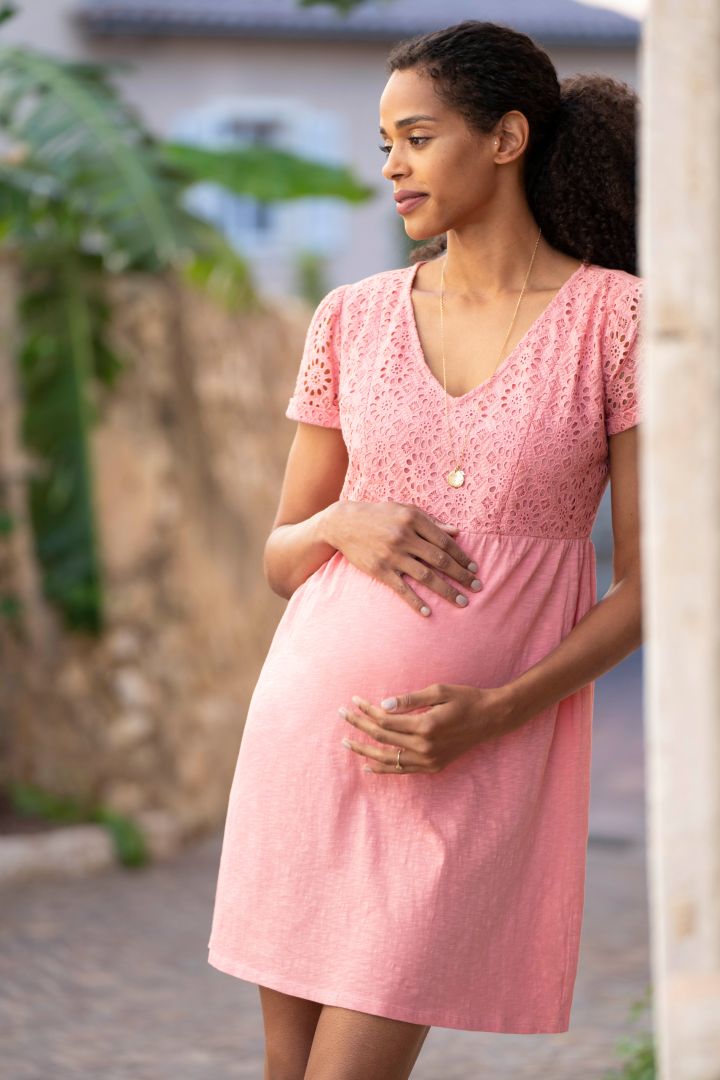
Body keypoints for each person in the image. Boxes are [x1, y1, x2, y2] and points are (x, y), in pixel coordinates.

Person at [207, 18, 643, 1080]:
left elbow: (662, 582)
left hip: (472, 751)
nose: (391, 164)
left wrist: (496, 714)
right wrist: (335, 524)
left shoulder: (616, 323)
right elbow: (280, 558)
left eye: (417, 135)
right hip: (309, 730)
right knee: (288, 1069)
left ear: (505, 138)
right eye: (383, 142)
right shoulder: (350, 317)